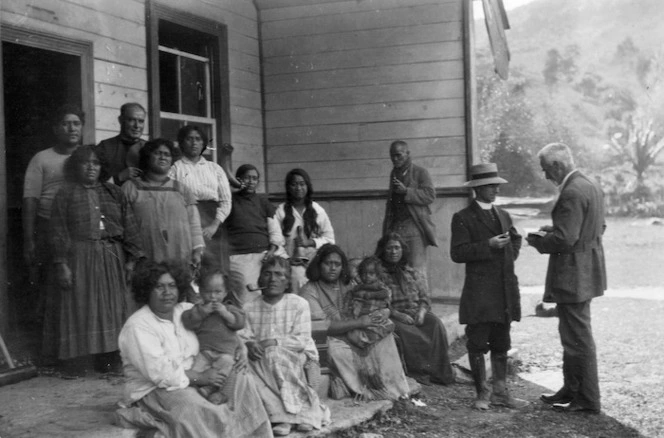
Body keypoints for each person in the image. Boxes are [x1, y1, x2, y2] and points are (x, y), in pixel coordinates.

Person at [116, 260, 273, 438]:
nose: (167, 293)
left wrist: (241, 349)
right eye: (159, 287)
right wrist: (201, 378)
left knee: (241, 376)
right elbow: (162, 374)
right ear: (146, 290)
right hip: (158, 388)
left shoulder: (186, 310)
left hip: (202, 374)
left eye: (172, 286)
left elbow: (222, 330)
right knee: (199, 409)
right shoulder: (138, 326)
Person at [48, 145, 144, 375]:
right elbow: (58, 230)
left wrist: (131, 262)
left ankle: (110, 360)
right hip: (79, 256)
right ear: (76, 166)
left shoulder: (114, 193)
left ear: (102, 167)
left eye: (96, 163)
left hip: (111, 256)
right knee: (81, 306)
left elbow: (130, 228)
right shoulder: (65, 193)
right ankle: (79, 362)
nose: (91, 167)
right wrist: (61, 264)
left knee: (112, 308)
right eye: (85, 162)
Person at [527, 143, 606, 414]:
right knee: (571, 333)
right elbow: (597, 226)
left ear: (558, 166)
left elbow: (565, 239)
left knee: (577, 338)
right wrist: (557, 228)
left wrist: (538, 240)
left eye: (547, 171)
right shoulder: (590, 184)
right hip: (588, 269)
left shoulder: (571, 191)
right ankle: (571, 389)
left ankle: (587, 398)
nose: (547, 177)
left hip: (574, 273)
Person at [450, 163, 527, 410]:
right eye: (490, 186)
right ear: (477, 189)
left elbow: (515, 238)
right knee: (477, 343)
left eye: (496, 185)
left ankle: (500, 392)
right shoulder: (462, 218)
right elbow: (457, 252)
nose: (495, 190)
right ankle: (481, 392)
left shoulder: (503, 215)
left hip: (503, 290)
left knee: (502, 342)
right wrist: (488, 245)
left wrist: (509, 255)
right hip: (480, 293)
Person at [301, 244, 410, 401]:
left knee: (385, 336)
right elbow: (323, 327)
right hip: (327, 337)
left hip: (354, 330)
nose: (332, 268)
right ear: (318, 265)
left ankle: (393, 388)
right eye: (327, 263)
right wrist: (360, 322)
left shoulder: (346, 284)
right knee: (334, 350)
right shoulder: (309, 291)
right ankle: (367, 390)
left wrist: (384, 312)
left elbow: (374, 303)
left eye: (337, 264)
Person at [239, 256, 329, 436]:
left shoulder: (298, 304)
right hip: (262, 359)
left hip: (299, 355)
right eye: (267, 274)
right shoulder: (249, 308)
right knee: (246, 364)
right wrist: (249, 344)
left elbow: (301, 340)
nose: (272, 279)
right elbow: (243, 335)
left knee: (274, 354)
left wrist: (272, 342)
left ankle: (300, 415)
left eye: (279, 275)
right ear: (260, 279)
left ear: (287, 280)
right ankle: (282, 415)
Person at [23, 104, 83, 328]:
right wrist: (29, 239)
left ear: (82, 128)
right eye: (65, 124)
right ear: (56, 129)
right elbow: (31, 199)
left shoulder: (88, 157)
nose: (71, 128)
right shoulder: (42, 159)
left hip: (79, 228)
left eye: (76, 123)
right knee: (49, 283)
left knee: (76, 283)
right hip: (48, 226)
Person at [376, 233, 455, 385]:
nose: (393, 252)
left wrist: (422, 312)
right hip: (394, 314)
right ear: (383, 251)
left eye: (397, 248)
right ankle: (419, 372)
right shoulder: (379, 274)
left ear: (402, 250)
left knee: (436, 324)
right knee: (408, 332)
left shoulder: (411, 271)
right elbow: (379, 302)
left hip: (415, 312)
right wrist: (398, 314)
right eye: (389, 248)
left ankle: (440, 372)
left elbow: (424, 297)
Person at [122, 138, 204, 268]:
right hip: (144, 259)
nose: (163, 157)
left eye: (167, 154)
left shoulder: (182, 189)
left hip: (179, 257)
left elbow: (194, 223)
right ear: (148, 156)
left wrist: (197, 251)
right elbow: (123, 225)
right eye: (157, 153)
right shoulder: (130, 188)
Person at [169, 125, 231, 273]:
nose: (194, 143)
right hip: (187, 220)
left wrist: (214, 225)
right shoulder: (175, 169)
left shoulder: (215, 168)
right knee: (192, 266)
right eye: (189, 139)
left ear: (203, 143)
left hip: (213, 220)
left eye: (198, 139)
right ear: (181, 142)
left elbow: (226, 201)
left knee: (215, 269)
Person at [181, 269, 244, 405]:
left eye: (217, 292)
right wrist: (202, 313)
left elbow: (239, 323)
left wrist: (225, 314)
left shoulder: (230, 308)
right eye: (208, 292)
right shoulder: (198, 309)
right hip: (204, 352)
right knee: (196, 371)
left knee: (227, 368)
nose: (213, 297)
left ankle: (217, 392)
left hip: (225, 352)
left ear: (225, 293)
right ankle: (198, 393)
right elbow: (188, 322)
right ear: (201, 292)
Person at [226, 164, 281, 304]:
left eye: (254, 178)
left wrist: (272, 251)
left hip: (264, 255)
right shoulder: (229, 201)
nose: (251, 181)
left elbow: (275, 231)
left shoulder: (263, 202)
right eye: (247, 178)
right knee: (247, 294)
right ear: (238, 179)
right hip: (239, 256)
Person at [382, 140, 437, 279]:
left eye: (399, 155)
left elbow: (430, 195)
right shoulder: (394, 173)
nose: (395, 159)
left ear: (408, 154)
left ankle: (421, 300)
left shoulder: (420, 172)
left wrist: (406, 191)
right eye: (392, 156)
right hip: (396, 228)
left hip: (414, 227)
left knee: (416, 270)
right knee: (397, 269)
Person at [274, 168, 335, 294]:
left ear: (308, 186)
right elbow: (276, 242)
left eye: (302, 184)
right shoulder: (280, 211)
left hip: (315, 261)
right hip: (291, 263)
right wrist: (287, 259)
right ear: (288, 187)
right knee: (296, 281)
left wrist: (309, 242)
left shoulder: (317, 210)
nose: (298, 188)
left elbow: (330, 239)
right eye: (294, 184)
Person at [345, 256, 395, 349]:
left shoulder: (378, 285)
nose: (367, 276)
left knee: (385, 325)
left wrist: (371, 295)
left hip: (374, 313)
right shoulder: (358, 287)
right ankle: (363, 340)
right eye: (364, 273)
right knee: (352, 333)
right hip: (361, 316)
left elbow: (386, 293)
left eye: (371, 273)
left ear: (377, 275)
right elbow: (351, 295)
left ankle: (367, 339)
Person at [96, 103, 147, 185]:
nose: (137, 126)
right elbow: (94, 182)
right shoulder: (105, 147)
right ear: (120, 120)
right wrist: (119, 177)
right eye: (131, 120)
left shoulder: (149, 148)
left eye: (141, 121)